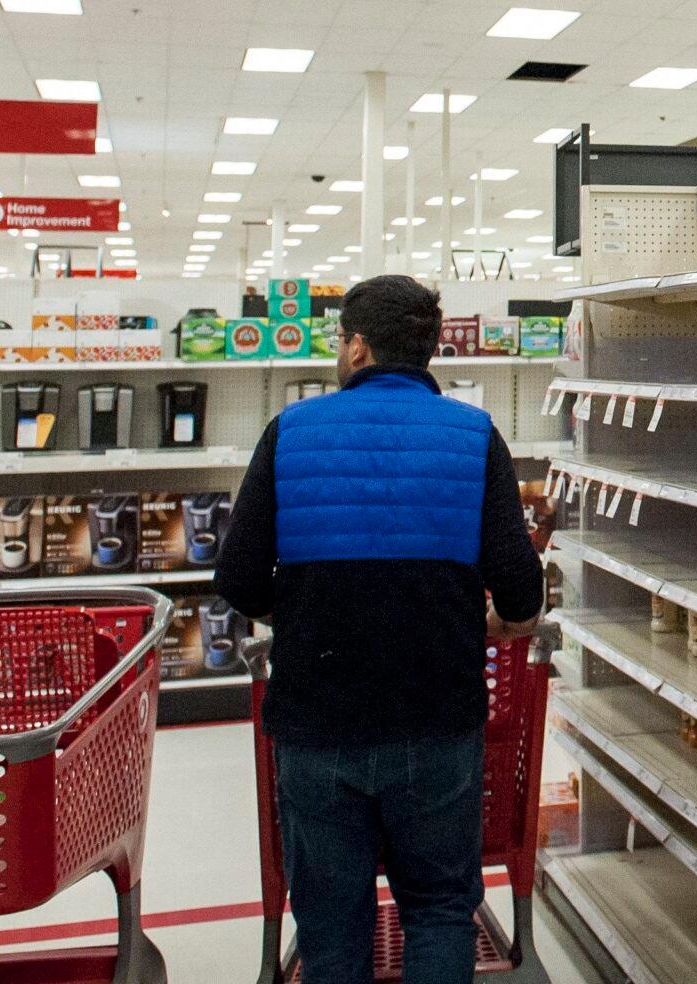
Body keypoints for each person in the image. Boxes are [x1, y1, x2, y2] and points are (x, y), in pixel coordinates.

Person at [215, 274, 545, 984]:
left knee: (332, 929)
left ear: (358, 348)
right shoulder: (473, 435)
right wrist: (494, 623)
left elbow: (239, 580)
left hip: (317, 727)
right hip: (436, 727)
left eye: (340, 340)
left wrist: (305, 611)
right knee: (436, 911)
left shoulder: (291, 432)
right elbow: (522, 591)